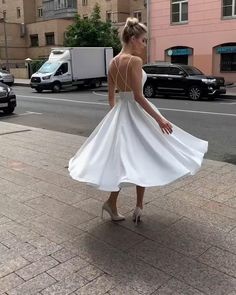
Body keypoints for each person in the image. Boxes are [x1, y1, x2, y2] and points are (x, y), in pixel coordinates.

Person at [68, 17, 208, 225]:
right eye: (143, 40)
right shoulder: (134, 61)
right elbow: (138, 96)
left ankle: (116, 203)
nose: (144, 44)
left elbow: (111, 97)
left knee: (128, 160)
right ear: (133, 39)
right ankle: (137, 206)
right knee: (143, 157)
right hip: (136, 112)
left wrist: (117, 118)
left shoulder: (113, 61)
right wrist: (159, 119)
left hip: (120, 114)